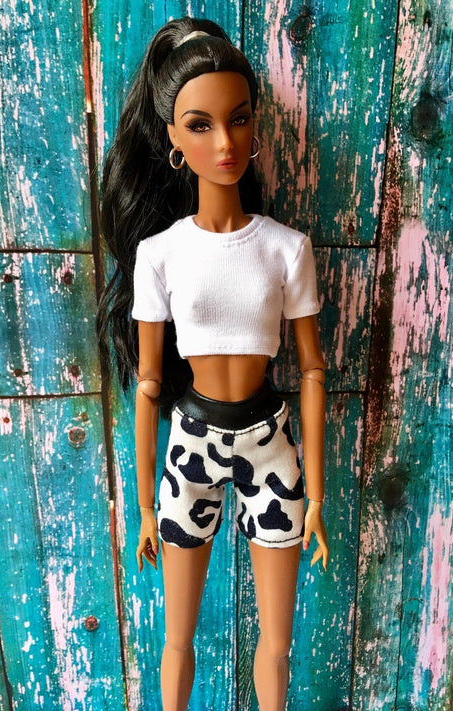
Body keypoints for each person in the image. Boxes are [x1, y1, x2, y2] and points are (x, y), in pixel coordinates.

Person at [98, 17, 328, 711]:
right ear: (172, 138)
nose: (225, 144)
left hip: (269, 443)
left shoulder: (286, 248)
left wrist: (316, 496)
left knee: (276, 643)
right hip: (191, 441)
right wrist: (144, 505)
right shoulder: (160, 254)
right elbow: (147, 385)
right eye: (200, 125)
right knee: (177, 638)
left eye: (239, 119)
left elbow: (312, 371)